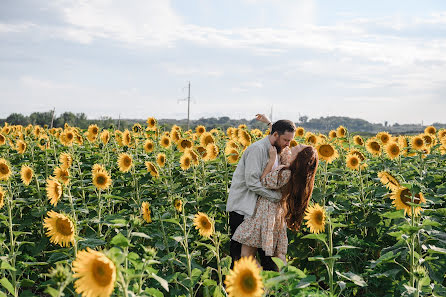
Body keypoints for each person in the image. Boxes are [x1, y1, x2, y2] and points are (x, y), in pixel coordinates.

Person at [226, 115, 296, 271]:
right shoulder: (257, 150)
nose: (288, 144)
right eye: (286, 140)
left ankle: (266, 290)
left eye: (290, 141)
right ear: (276, 135)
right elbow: (252, 183)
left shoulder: (277, 149)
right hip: (244, 208)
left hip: (260, 212)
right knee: (239, 259)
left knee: (267, 257)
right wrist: (277, 197)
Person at [232, 142, 319, 265]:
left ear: (299, 156)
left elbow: (263, 181)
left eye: (299, 147)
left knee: (247, 255)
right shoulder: (292, 172)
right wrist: (270, 126)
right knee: (277, 256)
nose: (296, 145)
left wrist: (272, 160)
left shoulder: (286, 173)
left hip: (264, 213)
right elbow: (283, 147)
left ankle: (264, 283)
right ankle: (283, 281)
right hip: (275, 213)